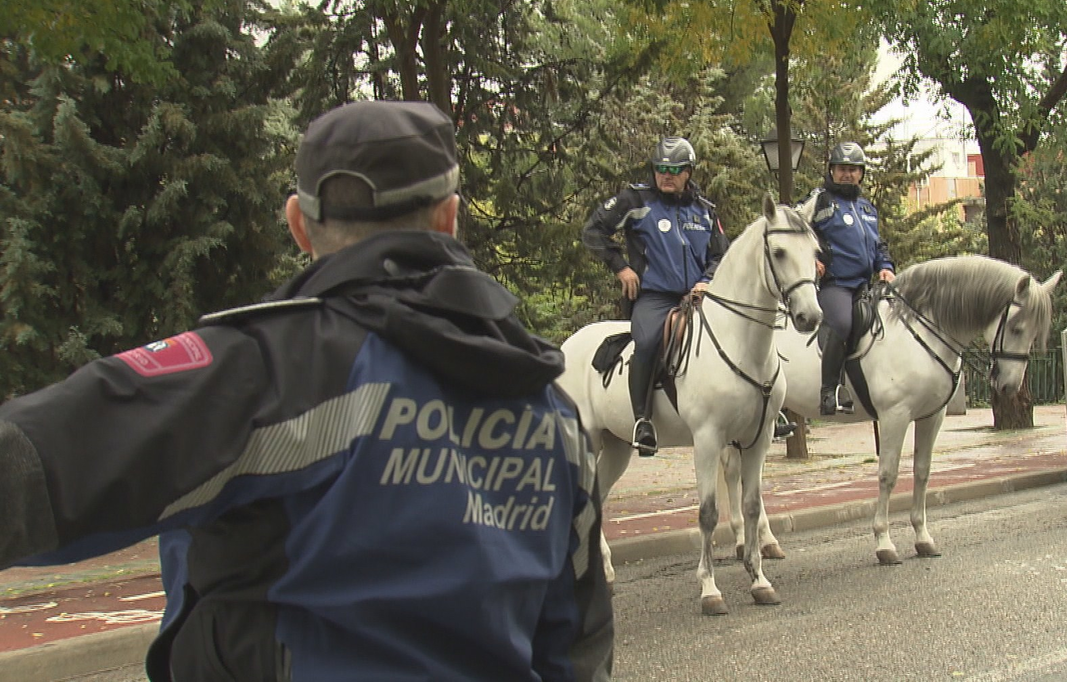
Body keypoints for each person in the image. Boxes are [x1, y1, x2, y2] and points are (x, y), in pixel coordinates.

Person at [0, 100, 614, 681]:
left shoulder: (261, 373)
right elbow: (577, 643)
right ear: (450, 218)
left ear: (299, 224)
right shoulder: (554, 413)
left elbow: (36, 464)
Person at [581, 136, 728, 457]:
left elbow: (720, 255)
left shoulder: (704, 210)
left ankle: (755, 407)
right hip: (655, 296)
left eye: (675, 170)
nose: (666, 175)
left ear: (688, 172)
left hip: (699, 298)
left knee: (735, 337)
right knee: (647, 341)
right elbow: (593, 230)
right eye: (661, 168)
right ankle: (641, 420)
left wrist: (707, 281)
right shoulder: (636, 200)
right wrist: (620, 267)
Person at [800, 141, 896, 415]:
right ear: (831, 171)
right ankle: (830, 390)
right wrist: (812, 259)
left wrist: (885, 266)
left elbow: (878, 246)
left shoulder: (867, 209)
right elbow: (794, 231)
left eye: (853, 170)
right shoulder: (818, 200)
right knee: (842, 323)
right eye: (842, 169)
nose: (847, 175)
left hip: (866, 285)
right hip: (836, 283)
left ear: (861, 174)